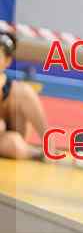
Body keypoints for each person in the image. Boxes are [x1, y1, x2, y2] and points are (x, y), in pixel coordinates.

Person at [0, 31, 50, 161]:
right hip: (8, 141)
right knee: (13, 145)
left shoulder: (17, 91)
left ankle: (48, 151)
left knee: (25, 92)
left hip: (14, 133)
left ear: (7, 61)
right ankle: (35, 153)